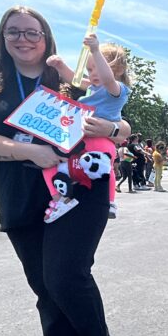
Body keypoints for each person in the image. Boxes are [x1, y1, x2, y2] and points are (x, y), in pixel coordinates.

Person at [0, 5, 129, 336]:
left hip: (76, 188)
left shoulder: (66, 77)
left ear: (46, 38)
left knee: (65, 276)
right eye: (14, 32)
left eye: (31, 32)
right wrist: (29, 152)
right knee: (43, 284)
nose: (22, 39)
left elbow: (118, 116)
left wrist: (114, 128)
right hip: (20, 190)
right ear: (2, 38)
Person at [40, 33, 129, 223]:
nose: (92, 73)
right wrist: (60, 65)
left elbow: (107, 78)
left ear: (118, 69)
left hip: (100, 140)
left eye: (97, 67)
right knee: (49, 165)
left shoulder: (116, 90)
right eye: (89, 68)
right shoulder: (92, 88)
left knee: (103, 170)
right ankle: (60, 199)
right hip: (81, 137)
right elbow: (75, 79)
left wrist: (96, 50)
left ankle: (109, 201)